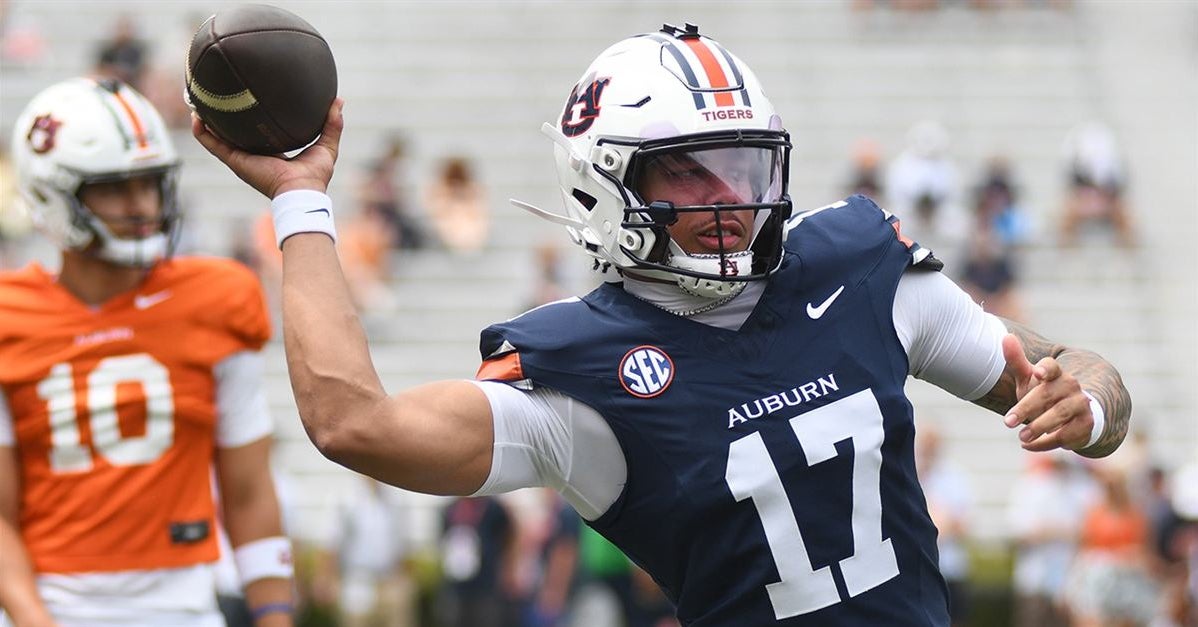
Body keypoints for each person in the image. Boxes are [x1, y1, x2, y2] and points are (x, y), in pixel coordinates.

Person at [193, 23, 1132, 626]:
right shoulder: (578, 373)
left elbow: (1077, 376)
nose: (733, 200)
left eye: (747, 167)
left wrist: (1085, 400)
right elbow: (354, 423)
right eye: (693, 173)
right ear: (604, 182)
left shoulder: (859, 268)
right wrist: (301, 202)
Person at [0, 77, 293, 626]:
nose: (141, 205)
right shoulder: (8, 317)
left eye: (150, 183)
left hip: (184, 608)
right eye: (114, 187)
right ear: (51, 194)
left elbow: (250, 491)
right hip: (48, 605)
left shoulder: (215, 298)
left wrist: (274, 616)